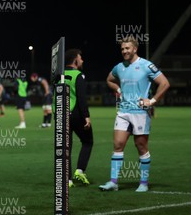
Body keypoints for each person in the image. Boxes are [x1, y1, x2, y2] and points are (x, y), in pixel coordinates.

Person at [99, 37, 170, 192]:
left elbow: (165, 83)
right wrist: (118, 90)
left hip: (140, 113)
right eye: (122, 48)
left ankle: (143, 183)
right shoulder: (119, 67)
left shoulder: (146, 65)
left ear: (135, 49)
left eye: (127, 48)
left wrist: (151, 101)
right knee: (118, 145)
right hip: (123, 111)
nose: (124, 51)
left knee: (141, 146)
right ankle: (113, 182)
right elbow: (109, 80)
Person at [63, 49, 93, 187]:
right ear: (75, 60)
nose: (82, 60)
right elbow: (81, 98)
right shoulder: (78, 75)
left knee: (66, 147)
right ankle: (80, 170)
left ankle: (67, 180)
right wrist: (86, 116)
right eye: (80, 58)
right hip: (76, 114)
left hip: (62, 113)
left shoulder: (60, 75)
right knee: (87, 142)